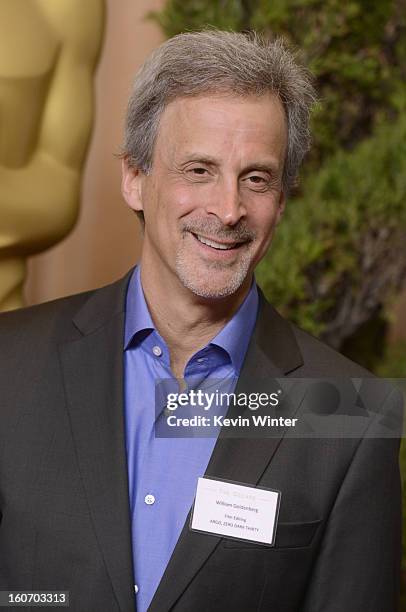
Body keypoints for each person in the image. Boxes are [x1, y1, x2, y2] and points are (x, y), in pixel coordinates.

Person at [0, 30, 401, 612]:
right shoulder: (9, 365)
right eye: (199, 169)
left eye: (257, 178)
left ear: (282, 200)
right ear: (135, 178)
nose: (229, 209)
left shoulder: (350, 418)